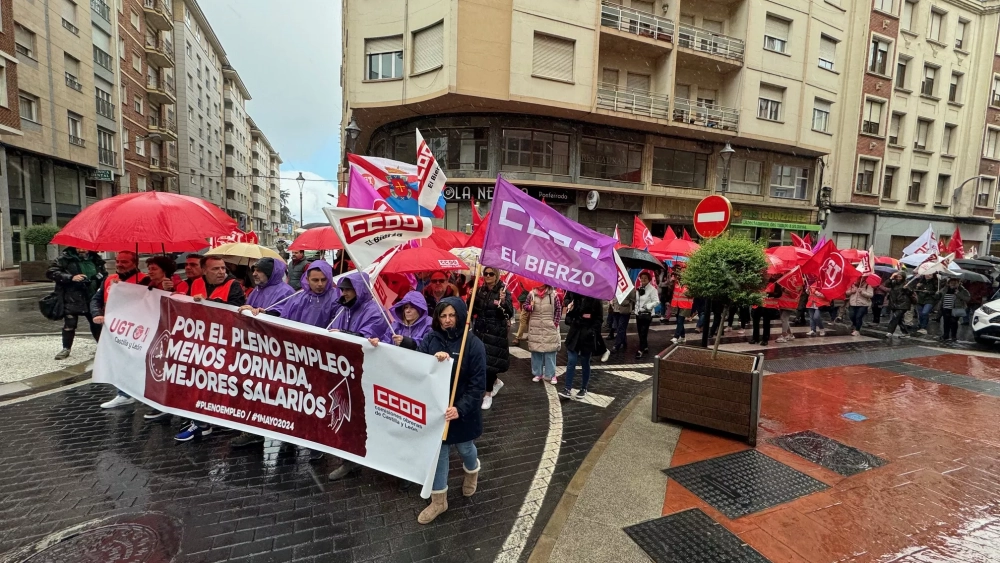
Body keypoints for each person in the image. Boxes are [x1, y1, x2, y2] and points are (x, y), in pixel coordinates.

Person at [407, 298, 486, 525]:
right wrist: (433, 362)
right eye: (443, 316)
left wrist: (460, 408)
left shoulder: (473, 344)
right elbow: (418, 367)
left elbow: (477, 385)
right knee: (439, 452)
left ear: (461, 316)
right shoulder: (431, 339)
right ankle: (439, 500)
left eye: (452, 315)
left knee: (465, 447)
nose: (448, 320)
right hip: (437, 411)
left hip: (462, 412)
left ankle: (472, 470)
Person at [174, 256, 246, 443]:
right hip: (202, 342)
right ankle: (202, 422)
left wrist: (209, 302)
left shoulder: (233, 286)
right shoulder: (195, 284)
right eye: (215, 269)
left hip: (226, 345)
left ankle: (209, 420)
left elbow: (236, 310)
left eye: (223, 268)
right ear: (204, 271)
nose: (221, 272)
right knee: (200, 382)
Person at [91, 251, 150, 409]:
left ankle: (137, 392)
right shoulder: (109, 279)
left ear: (135, 263)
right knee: (119, 361)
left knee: (136, 362)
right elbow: (96, 299)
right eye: (117, 261)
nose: (119, 264)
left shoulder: (145, 280)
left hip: (137, 329)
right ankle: (124, 393)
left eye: (124, 262)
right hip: (114, 330)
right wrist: (97, 314)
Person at [47, 247, 107, 360]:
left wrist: (99, 277)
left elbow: (104, 274)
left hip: (92, 296)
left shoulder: (96, 259)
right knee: (70, 324)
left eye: (85, 247)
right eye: (79, 247)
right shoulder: (64, 259)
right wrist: (71, 277)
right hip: (71, 297)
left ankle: (102, 346)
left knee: (96, 322)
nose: (82, 250)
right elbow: (51, 272)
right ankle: (66, 348)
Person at [470, 267, 513, 410]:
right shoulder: (481, 290)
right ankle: (496, 381)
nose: (487, 276)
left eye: (490, 274)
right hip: (480, 331)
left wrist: (503, 302)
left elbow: (509, 313)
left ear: (496, 275)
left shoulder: (503, 291)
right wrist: (471, 297)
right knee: (483, 361)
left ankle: (487, 394)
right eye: (485, 273)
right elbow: (473, 310)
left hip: (495, 332)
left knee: (488, 364)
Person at [559, 291, 603, 400]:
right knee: (571, 360)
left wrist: (592, 331)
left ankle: (584, 388)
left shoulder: (595, 297)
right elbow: (568, 318)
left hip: (587, 335)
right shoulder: (574, 294)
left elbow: (599, 318)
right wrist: (571, 311)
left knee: (585, 361)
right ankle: (567, 388)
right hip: (574, 333)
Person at [524, 284, 562, 384]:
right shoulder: (531, 294)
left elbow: (558, 309)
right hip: (535, 326)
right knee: (536, 351)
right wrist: (530, 307)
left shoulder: (553, 295)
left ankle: (551, 374)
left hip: (549, 326)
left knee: (550, 351)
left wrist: (555, 323)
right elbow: (525, 306)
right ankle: (538, 373)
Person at [936, 277, 970, 342]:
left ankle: (953, 336)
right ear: (948, 283)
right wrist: (937, 294)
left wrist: (958, 294)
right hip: (946, 308)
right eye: (951, 283)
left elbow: (967, 298)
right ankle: (945, 335)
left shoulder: (962, 290)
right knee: (946, 322)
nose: (953, 284)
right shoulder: (945, 289)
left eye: (955, 283)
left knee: (953, 322)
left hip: (956, 309)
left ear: (958, 283)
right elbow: (938, 297)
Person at [634, 271, 659, 359]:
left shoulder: (652, 290)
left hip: (647, 314)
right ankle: (645, 346)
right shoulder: (639, 288)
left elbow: (656, 302)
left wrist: (647, 306)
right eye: (642, 278)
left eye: (645, 278)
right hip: (638, 314)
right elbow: (637, 301)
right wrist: (636, 310)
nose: (643, 279)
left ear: (649, 279)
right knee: (640, 332)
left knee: (643, 332)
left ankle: (640, 350)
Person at [750, 279, 781, 346]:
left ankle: (765, 339)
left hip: (768, 307)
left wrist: (767, 294)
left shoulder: (775, 283)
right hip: (757, 305)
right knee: (755, 323)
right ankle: (755, 338)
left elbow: (779, 294)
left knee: (766, 323)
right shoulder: (757, 280)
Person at [884, 272, 914, 339]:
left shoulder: (907, 283)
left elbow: (911, 292)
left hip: (903, 304)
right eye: (897, 277)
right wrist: (891, 278)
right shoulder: (893, 282)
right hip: (894, 303)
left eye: (900, 277)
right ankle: (906, 333)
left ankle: (890, 332)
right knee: (899, 319)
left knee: (895, 317)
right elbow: (886, 284)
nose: (898, 278)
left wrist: (906, 288)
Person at [670, 271, 692, 345]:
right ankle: (683, 337)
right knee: (680, 322)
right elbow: (670, 290)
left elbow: (691, 295)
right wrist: (671, 282)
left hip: (685, 306)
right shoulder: (676, 284)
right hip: (677, 305)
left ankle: (676, 337)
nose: (679, 277)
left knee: (680, 321)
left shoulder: (689, 285)